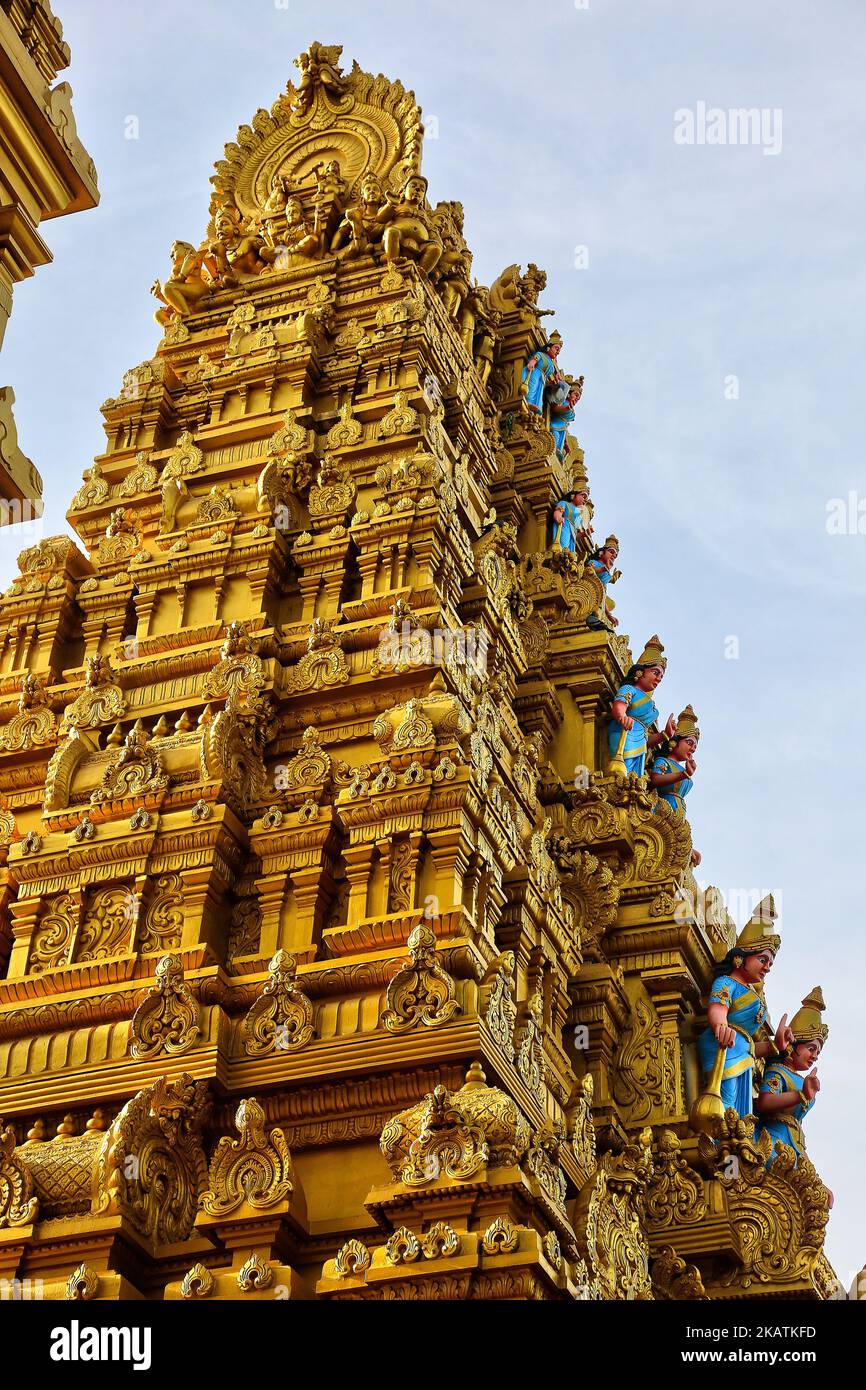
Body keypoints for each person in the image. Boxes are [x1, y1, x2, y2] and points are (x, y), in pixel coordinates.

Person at [696, 896, 793, 1120]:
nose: (767, 968)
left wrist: (774, 1046)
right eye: (762, 960)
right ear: (741, 958)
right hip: (723, 1049)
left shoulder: (749, 992)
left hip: (741, 1056)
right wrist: (721, 1026)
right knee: (726, 1109)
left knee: (741, 1116)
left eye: (770, 963)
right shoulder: (726, 983)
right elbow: (718, 1009)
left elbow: (748, 1045)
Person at [755, 987, 827, 1166]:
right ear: (792, 1045)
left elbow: (796, 1126)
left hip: (795, 1145)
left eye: (817, 1051)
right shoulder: (777, 1072)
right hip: (774, 1144)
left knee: (825, 1194)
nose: (815, 1056)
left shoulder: (801, 1080)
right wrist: (800, 1095)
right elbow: (765, 1102)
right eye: (811, 1049)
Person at [607, 635, 675, 776]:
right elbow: (619, 704)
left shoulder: (651, 704)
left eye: (661, 676)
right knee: (621, 775)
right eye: (655, 673)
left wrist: (665, 735)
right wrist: (622, 717)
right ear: (640, 672)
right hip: (623, 734)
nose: (658, 679)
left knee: (634, 779)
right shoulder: (629, 690)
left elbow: (645, 740)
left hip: (639, 743)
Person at [521, 332, 563, 414]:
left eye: (559, 351)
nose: (557, 352)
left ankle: (534, 407)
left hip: (542, 380)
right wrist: (531, 363)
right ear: (549, 348)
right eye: (556, 349)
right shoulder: (540, 354)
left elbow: (547, 381)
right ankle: (528, 401)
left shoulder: (551, 365)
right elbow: (534, 360)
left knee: (538, 394)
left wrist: (552, 382)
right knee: (532, 389)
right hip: (535, 374)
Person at [586, 533, 619, 631]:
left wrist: (609, 615)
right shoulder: (594, 563)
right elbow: (589, 572)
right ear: (601, 553)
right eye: (611, 552)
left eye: (615, 555)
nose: (613, 556)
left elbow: (602, 595)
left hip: (598, 599)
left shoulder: (605, 571)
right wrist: (604, 569)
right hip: (588, 595)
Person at [548, 376, 583, 458]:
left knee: (559, 449)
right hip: (554, 426)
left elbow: (565, 425)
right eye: (576, 395)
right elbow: (555, 408)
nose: (577, 399)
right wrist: (567, 408)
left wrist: (566, 443)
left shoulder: (570, 409)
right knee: (554, 439)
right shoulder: (563, 402)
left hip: (562, 431)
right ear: (569, 394)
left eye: (578, 398)